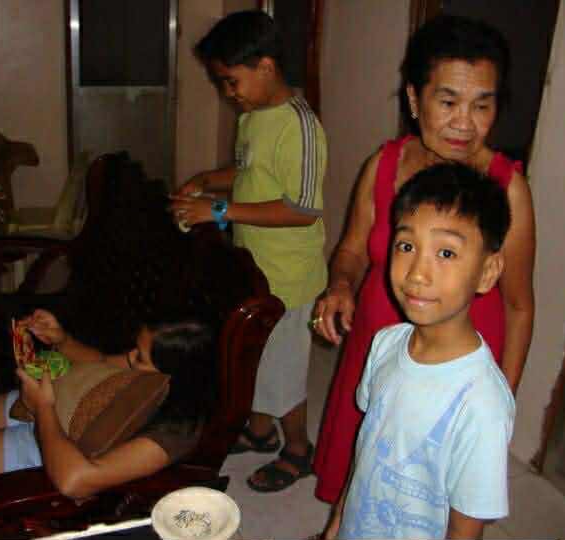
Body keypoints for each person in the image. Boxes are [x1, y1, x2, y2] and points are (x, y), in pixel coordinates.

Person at [312, 14, 535, 505]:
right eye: (448, 102)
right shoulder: (384, 165)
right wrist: (341, 285)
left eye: (482, 105)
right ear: (415, 100)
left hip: (455, 363)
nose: (465, 123)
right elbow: (352, 248)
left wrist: (502, 401)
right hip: (379, 340)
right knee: (362, 466)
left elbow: (519, 306)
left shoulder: (508, 189)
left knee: (424, 493)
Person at [169, 10, 327, 492]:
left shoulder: (300, 127)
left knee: (282, 372)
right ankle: (259, 432)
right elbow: (250, 174)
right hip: (257, 264)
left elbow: (302, 209)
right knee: (254, 356)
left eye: (231, 81)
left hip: (289, 277)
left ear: (266, 66)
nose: (227, 93)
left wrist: (218, 210)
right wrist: (205, 181)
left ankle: (298, 450)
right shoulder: (254, 116)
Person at [322, 163, 515, 540]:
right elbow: (367, 451)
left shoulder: (483, 403)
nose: (416, 274)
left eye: (446, 253)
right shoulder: (385, 344)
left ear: (488, 272)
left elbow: (465, 528)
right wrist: (338, 519)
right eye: (407, 246)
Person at [0, 309, 215, 503]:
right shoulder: (150, 370)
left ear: (173, 374)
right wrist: (61, 339)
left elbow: (76, 481)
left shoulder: (175, 432)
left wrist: (43, 408)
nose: (131, 358)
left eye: (141, 357)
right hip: (59, 399)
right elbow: (102, 362)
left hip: (54, 447)